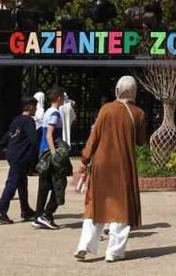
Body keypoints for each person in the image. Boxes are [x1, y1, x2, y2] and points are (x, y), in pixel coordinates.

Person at [74, 76, 148, 263]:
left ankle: (84, 246)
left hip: (101, 164)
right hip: (124, 165)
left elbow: (95, 136)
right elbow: (140, 140)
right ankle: (113, 252)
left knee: (95, 205)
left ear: (117, 90)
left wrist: (85, 158)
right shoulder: (138, 113)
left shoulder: (106, 109)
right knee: (121, 209)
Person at [0, 97, 40, 224]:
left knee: (22, 183)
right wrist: (36, 159)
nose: (36, 109)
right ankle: (1, 211)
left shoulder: (16, 120)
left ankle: (25, 210)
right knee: (12, 183)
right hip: (21, 155)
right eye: (35, 106)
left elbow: (8, 136)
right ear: (30, 107)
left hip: (13, 154)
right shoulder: (29, 121)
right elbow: (33, 140)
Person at [33, 87, 70, 230]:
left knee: (44, 186)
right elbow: (50, 134)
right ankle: (47, 214)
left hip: (43, 151)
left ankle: (39, 215)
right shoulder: (55, 113)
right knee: (59, 184)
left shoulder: (48, 111)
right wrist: (55, 153)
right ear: (59, 98)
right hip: (50, 152)